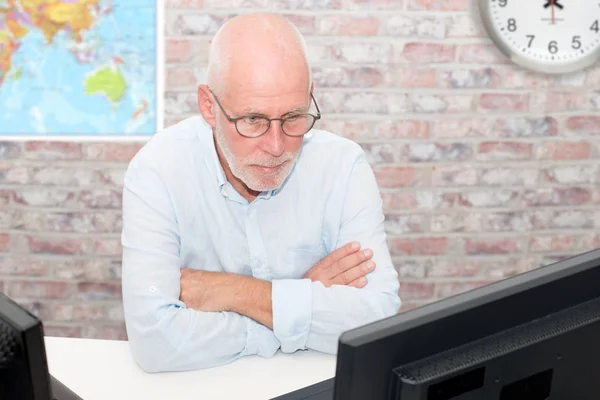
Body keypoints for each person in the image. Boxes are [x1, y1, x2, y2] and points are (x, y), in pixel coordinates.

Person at [120, 12, 401, 373]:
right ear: (208, 105)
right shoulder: (157, 171)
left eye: (293, 117)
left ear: (310, 97)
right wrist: (301, 300)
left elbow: (376, 321)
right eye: (252, 119)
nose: (276, 145)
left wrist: (236, 293)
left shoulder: (343, 167)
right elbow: (154, 343)